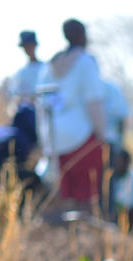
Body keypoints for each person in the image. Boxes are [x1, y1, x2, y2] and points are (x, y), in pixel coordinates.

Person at [36, 19, 107, 211]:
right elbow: (94, 102)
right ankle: (84, 236)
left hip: (54, 139)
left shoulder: (47, 68)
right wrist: (102, 134)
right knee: (86, 197)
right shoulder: (86, 62)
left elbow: (41, 109)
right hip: (82, 138)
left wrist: (45, 143)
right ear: (82, 36)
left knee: (64, 197)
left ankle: (68, 237)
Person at [7, 30, 43, 112]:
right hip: (28, 114)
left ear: (35, 46)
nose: (28, 49)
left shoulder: (46, 68)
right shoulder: (20, 73)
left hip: (44, 111)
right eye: (26, 47)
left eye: (30, 46)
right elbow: (17, 97)